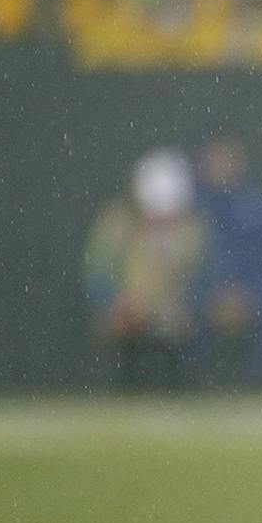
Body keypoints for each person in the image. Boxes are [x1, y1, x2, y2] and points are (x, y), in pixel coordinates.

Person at [81, 150, 206, 391]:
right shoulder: (115, 224)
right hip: (125, 312)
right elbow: (97, 273)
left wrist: (185, 304)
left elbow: (203, 276)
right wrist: (117, 302)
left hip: (176, 315)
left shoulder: (194, 230)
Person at [192, 137, 262, 389]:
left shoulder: (256, 204)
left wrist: (246, 293)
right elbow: (191, 263)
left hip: (254, 288)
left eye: (231, 158)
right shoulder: (191, 206)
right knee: (183, 311)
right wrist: (216, 291)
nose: (225, 165)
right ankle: (199, 380)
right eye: (218, 158)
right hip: (203, 288)